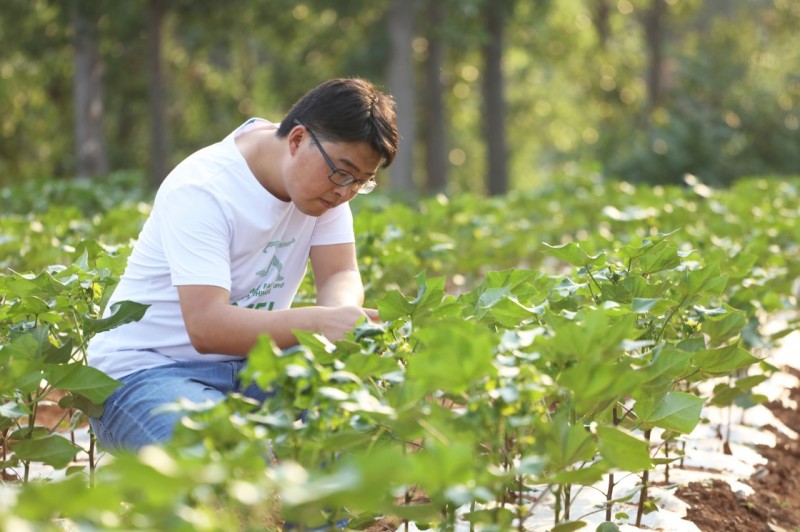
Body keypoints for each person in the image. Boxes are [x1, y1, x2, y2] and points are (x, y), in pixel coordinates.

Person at [87, 78, 399, 453]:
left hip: (254, 366)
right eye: (343, 174)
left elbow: (339, 272)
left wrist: (342, 317)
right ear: (298, 140)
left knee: (350, 419)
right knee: (232, 462)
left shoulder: (325, 188)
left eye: (361, 183)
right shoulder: (204, 188)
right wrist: (319, 323)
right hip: (148, 372)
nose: (345, 192)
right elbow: (206, 326)